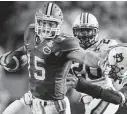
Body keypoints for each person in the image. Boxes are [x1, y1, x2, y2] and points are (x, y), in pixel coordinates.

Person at [0, 3, 101, 114]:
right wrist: (15, 55)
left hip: (54, 105)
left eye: (51, 24)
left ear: (58, 25)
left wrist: (102, 61)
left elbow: (85, 56)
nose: (46, 28)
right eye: (44, 22)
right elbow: (29, 48)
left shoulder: (63, 43)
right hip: (32, 97)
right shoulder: (31, 33)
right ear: (37, 21)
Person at [66, 12, 120, 114]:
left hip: (106, 95)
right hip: (87, 99)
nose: (84, 35)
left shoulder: (106, 46)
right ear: (74, 32)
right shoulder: (71, 51)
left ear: (96, 31)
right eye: (81, 31)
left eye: (88, 30)